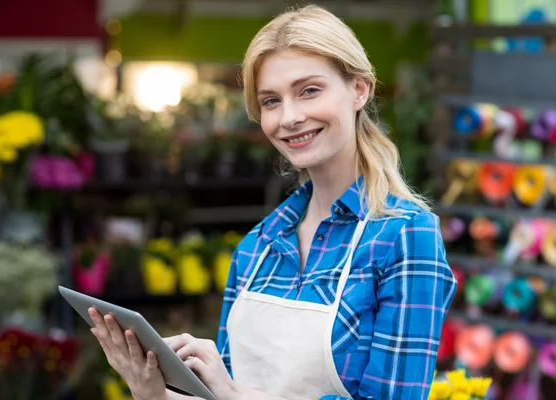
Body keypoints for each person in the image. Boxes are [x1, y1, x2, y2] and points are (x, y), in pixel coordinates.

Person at [88, 4, 457, 400]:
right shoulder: (257, 246)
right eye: (270, 101)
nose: (290, 117)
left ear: (359, 89)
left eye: (309, 91)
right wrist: (155, 393)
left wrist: (234, 395)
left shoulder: (405, 235)